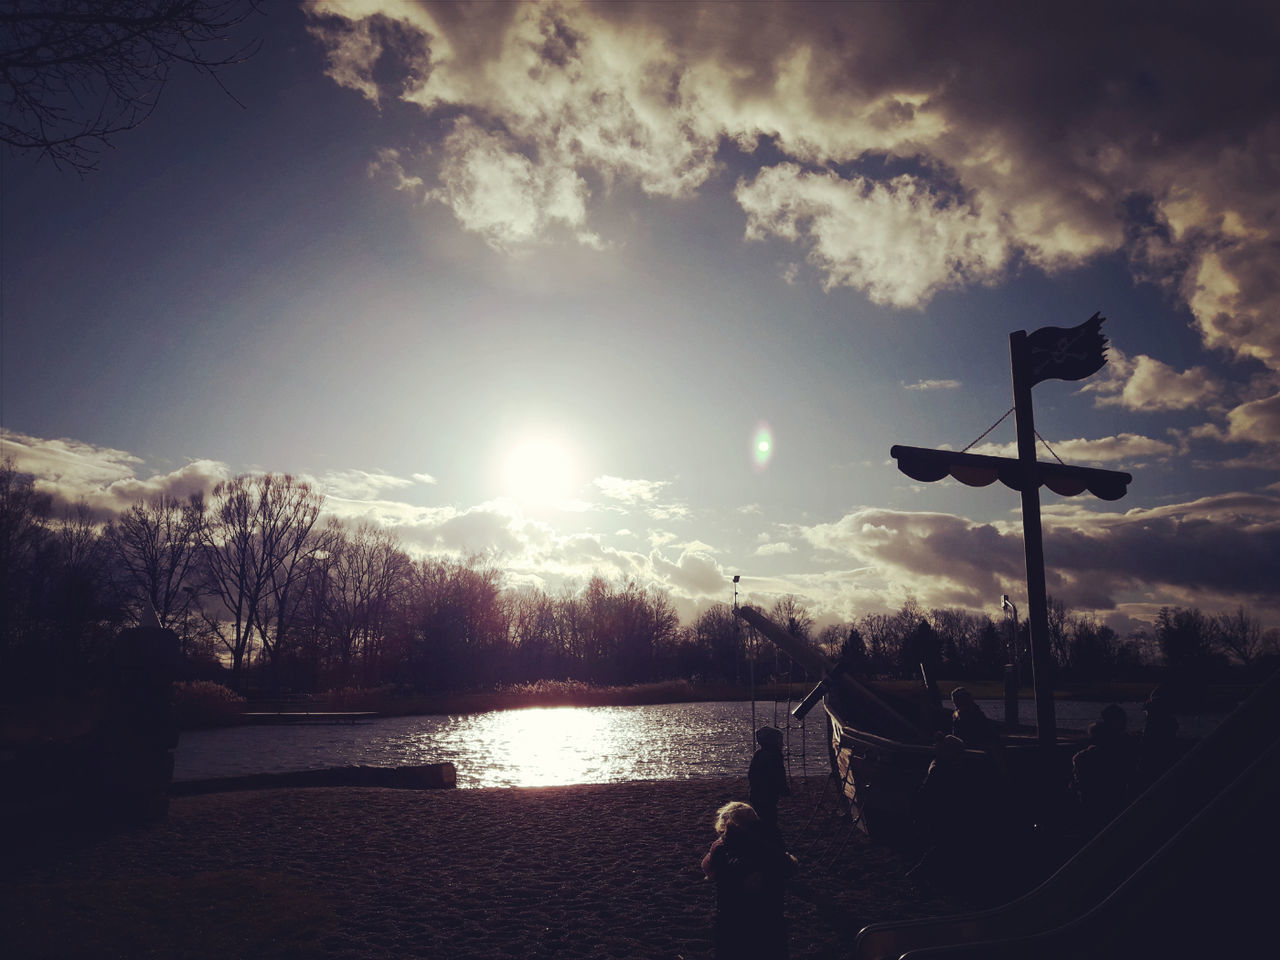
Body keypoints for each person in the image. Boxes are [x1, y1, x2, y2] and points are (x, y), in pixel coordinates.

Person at [701, 801, 798, 960]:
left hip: (731, 916)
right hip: (770, 916)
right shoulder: (768, 845)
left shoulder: (721, 846)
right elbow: (791, 866)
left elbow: (708, 869)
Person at [748, 726, 790, 835]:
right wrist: (784, 790)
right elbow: (778, 775)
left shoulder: (758, 754)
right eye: (780, 741)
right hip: (767, 795)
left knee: (761, 816)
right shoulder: (775, 756)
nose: (782, 744)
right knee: (769, 818)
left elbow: (751, 774)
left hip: (756, 793)